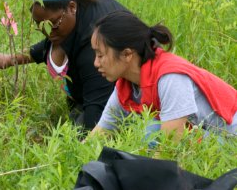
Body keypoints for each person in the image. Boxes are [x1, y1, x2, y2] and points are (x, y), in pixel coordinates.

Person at [0, 0, 127, 131]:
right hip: (100, 90)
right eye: (40, 26)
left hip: (138, 99)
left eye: (53, 25)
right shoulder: (72, 13)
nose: (48, 33)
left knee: (79, 132)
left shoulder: (93, 45)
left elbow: (96, 111)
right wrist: (10, 59)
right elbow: (49, 43)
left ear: (72, 7)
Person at [90, 10, 237, 140]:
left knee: (152, 133)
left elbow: (169, 147)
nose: (96, 63)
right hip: (207, 137)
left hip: (231, 141)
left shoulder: (170, 77)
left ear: (127, 54)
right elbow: (101, 133)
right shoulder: (126, 86)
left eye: (100, 55)